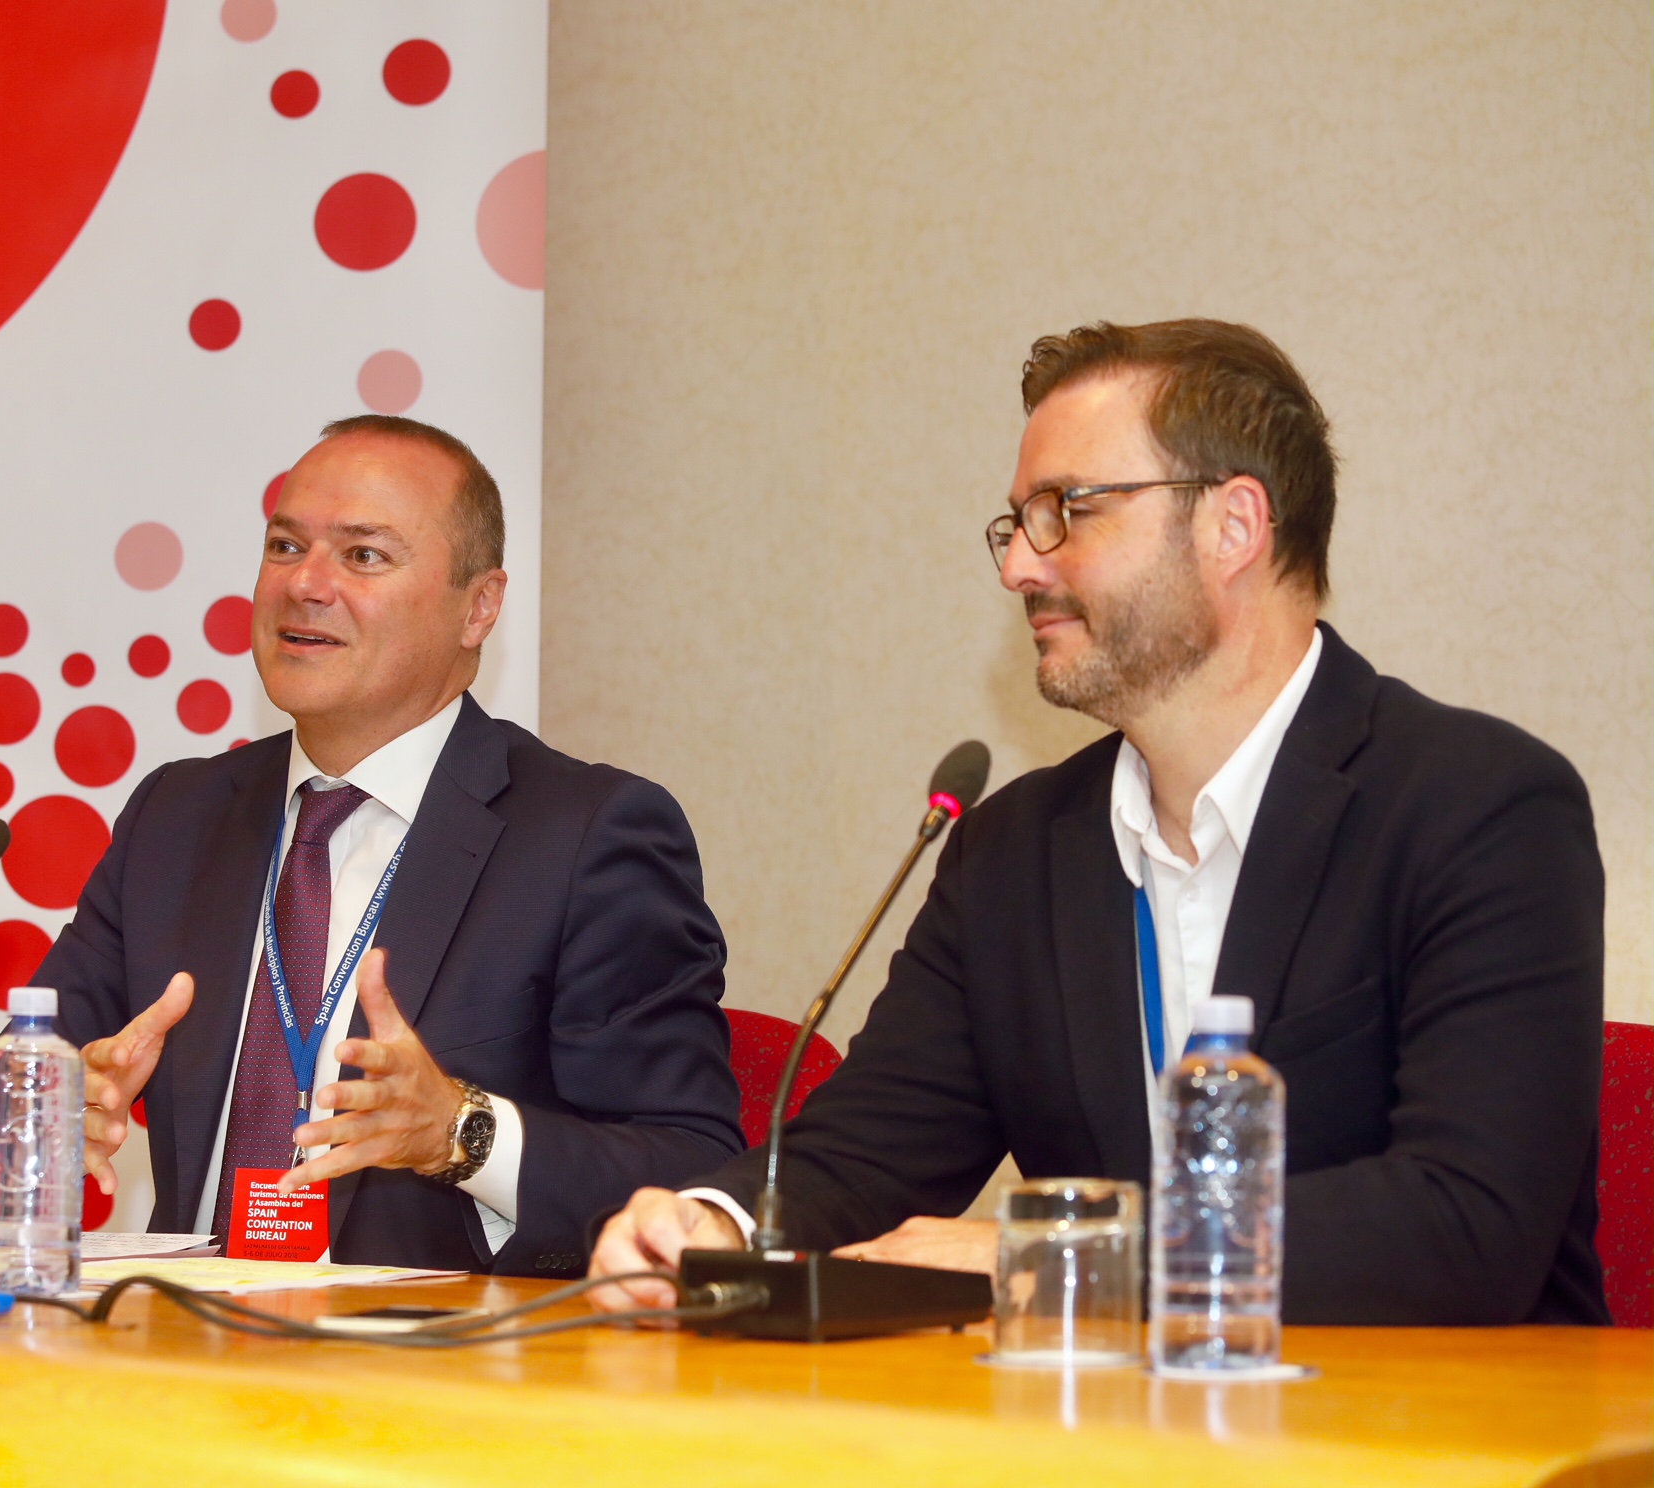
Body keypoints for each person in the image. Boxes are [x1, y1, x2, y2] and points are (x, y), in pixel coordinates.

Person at [590, 319, 1608, 1325]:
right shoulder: (1011, 852)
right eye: (1017, 523)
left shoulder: (1480, 807)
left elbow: (1468, 1225)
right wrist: (714, 1225)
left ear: (1235, 526)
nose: (1019, 569)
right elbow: (869, 1152)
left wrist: (1049, 1257)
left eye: (1067, 512)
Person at [0, 415, 742, 1277]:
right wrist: (51, 1113)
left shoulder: (587, 834)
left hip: (437, 1379)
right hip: (176, 1363)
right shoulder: (178, 818)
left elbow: (690, 1172)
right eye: (285, 546)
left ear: (478, 607)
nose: (305, 585)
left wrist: (458, 1133)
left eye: (363, 556)